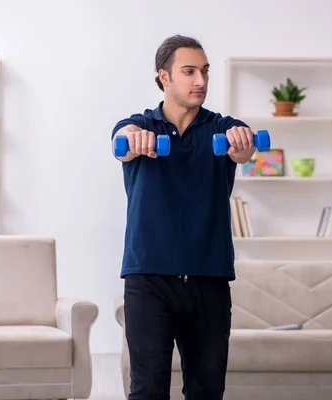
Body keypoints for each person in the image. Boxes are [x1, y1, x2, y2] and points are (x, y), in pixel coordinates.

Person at [111, 35, 256, 400]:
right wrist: (133, 139)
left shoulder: (222, 128)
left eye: (205, 72)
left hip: (208, 279)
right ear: (164, 77)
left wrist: (243, 139)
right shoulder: (140, 126)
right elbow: (122, 141)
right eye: (189, 72)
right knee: (147, 389)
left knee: (206, 391)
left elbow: (244, 150)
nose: (201, 81)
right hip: (148, 280)